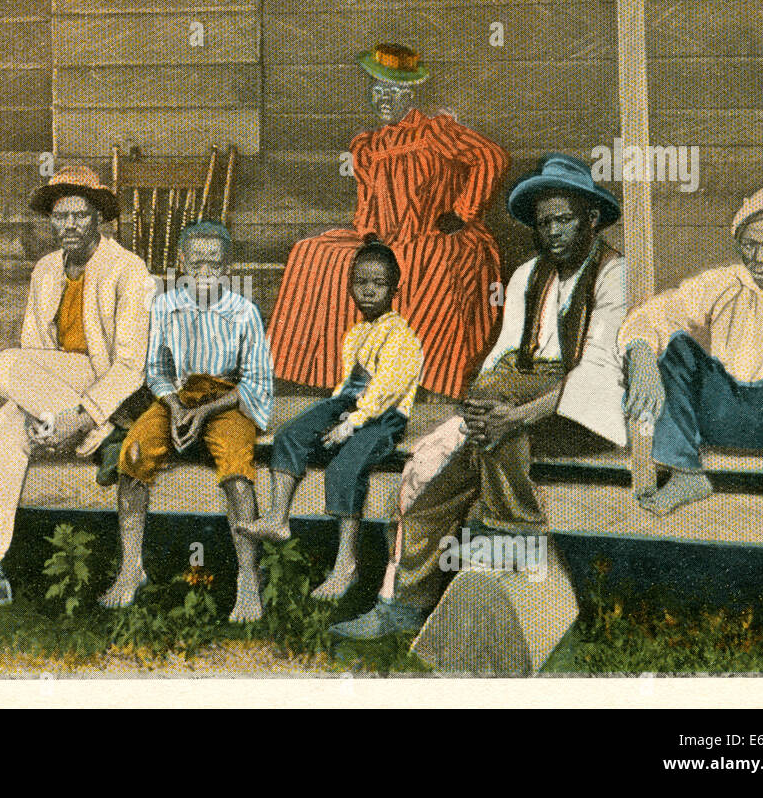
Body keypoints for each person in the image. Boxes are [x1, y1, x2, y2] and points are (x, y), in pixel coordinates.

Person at [331, 154, 627, 640]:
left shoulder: (615, 273)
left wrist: (511, 414)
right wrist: (482, 410)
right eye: (544, 222)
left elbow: (596, 371)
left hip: (579, 411)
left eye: (565, 220)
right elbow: (501, 357)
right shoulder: (528, 274)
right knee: (428, 473)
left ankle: (513, 526)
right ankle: (403, 605)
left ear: (591, 219)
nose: (553, 232)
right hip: (510, 407)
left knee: (492, 416)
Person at [0, 165, 153, 613]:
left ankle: (98, 427)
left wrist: (79, 416)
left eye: (79, 215)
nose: (68, 225)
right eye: (59, 217)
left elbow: (131, 366)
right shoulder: (46, 270)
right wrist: (49, 414)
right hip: (56, 391)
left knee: (4, 363)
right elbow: (37, 352)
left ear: (99, 219)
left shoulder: (129, 270)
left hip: (112, 389)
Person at [267, 42, 507, 401]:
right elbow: (367, 201)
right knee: (313, 253)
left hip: (438, 235)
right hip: (389, 236)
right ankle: (315, 373)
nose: (383, 99)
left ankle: (422, 379)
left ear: (410, 94)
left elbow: (492, 157)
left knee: (424, 264)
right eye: (377, 90)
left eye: (392, 91)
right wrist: (369, 233)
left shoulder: (436, 131)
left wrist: (462, 212)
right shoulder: (369, 144)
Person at [621, 184, 763, 530]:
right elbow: (654, 313)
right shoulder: (723, 283)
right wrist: (642, 356)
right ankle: (685, 472)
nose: (759, 257)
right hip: (728, 414)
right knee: (675, 346)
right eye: (750, 244)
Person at [100, 221, 274, 622]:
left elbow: (257, 383)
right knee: (135, 452)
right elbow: (157, 370)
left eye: (215, 263)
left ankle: (249, 577)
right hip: (179, 398)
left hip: (227, 401)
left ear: (228, 266)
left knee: (236, 470)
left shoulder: (243, 312)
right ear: (181, 263)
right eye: (197, 262)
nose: (206, 271)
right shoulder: (164, 306)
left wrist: (206, 411)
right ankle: (131, 568)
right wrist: (177, 407)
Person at [239, 238, 423, 601]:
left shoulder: (402, 338)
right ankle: (278, 517)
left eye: (378, 284)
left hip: (384, 416)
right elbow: (347, 385)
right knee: (291, 434)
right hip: (350, 403)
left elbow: (384, 391)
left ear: (394, 290)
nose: (368, 291)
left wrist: (348, 425)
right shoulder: (355, 333)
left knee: (345, 466)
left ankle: (346, 563)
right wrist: (330, 415)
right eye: (360, 282)